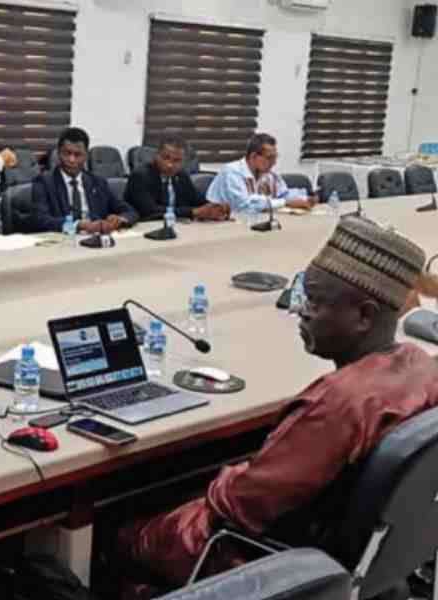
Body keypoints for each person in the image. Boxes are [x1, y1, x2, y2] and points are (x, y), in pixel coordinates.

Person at [117, 215, 438, 595]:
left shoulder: (338, 404)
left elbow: (238, 505)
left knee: (119, 527)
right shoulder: (421, 366)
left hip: (273, 563)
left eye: (315, 301)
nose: (300, 310)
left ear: (364, 315)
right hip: (361, 563)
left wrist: (228, 474)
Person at [25, 127, 138, 234]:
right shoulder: (44, 182)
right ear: (59, 153)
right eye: (67, 153)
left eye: (77, 155)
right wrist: (78, 225)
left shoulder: (98, 182)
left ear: (86, 156)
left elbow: (130, 211)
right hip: (64, 240)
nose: (71, 160)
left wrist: (120, 219)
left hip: (96, 239)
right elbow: (40, 220)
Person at [124, 135, 229, 221]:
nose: (170, 165)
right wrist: (193, 212)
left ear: (183, 162)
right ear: (156, 155)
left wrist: (215, 206)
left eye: (176, 161)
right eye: (166, 158)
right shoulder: (140, 176)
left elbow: (196, 199)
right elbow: (150, 211)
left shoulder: (181, 175)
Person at [207, 133, 318, 214]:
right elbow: (243, 206)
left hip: (253, 222)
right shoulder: (232, 172)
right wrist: (285, 202)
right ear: (253, 156)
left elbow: (283, 194)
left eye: (275, 157)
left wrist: (305, 198)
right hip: (221, 225)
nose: (274, 162)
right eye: (269, 158)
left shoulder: (268, 175)